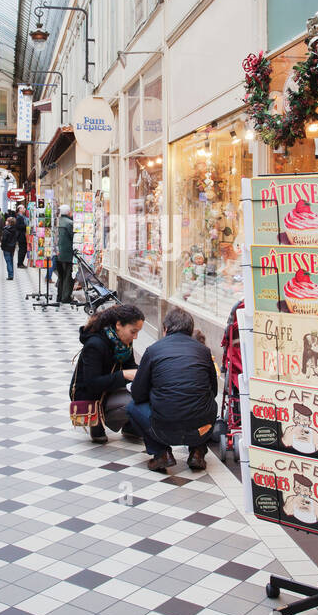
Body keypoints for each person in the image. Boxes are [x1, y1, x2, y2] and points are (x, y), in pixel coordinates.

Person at [127, 308, 219, 474]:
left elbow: (137, 394)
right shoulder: (204, 351)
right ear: (190, 330)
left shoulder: (153, 350)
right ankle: (198, 451)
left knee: (133, 407)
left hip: (163, 429)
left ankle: (161, 453)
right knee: (208, 403)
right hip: (200, 429)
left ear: (165, 329)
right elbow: (214, 390)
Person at [72, 304, 145, 444]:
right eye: (133, 331)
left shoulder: (124, 343)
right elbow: (91, 383)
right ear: (119, 325)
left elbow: (131, 367)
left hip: (110, 387)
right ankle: (96, 419)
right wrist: (124, 375)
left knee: (145, 388)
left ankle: (130, 426)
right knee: (133, 400)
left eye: (138, 332)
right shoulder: (95, 344)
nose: (135, 337)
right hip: (88, 395)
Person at [55, 203, 75, 304]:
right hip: (67, 254)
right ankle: (66, 297)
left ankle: (59, 296)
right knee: (68, 276)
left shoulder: (57, 222)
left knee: (61, 276)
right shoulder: (69, 223)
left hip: (57, 253)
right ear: (68, 212)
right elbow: (73, 238)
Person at [0, 215, 20, 281]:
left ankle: (10, 275)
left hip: (6, 248)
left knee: (8, 261)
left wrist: (2, 246)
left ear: (9, 223)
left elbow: (4, 240)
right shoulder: (15, 230)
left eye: (7, 221)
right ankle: (12, 274)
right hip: (12, 247)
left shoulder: (6, 230)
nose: (5, 222)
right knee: (11, 260)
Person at [14, 204, 29, 268]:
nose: (25, 209)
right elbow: (18, 226)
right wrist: (27, 226)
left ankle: (21, 263)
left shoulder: (22, 216)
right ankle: (20, 264)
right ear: (20, 209)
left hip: (23, 235)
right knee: (22, 250)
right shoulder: (19, 217)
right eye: (23, 208)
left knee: (23, 249)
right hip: (21, 236)